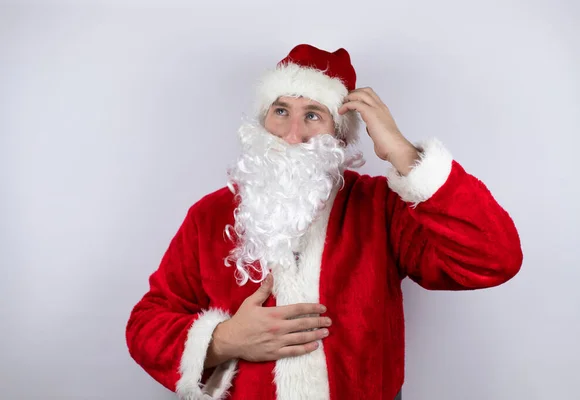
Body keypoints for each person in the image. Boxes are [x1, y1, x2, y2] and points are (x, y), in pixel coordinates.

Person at [125, 44, 523, 400]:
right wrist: (224, 340)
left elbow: (493, 258)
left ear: (340, 134)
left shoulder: (380, 207)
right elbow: (145, 325)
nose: (293, 135)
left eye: (313, 115)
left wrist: (402, 152)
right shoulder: (211, 216)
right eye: (281, 111)